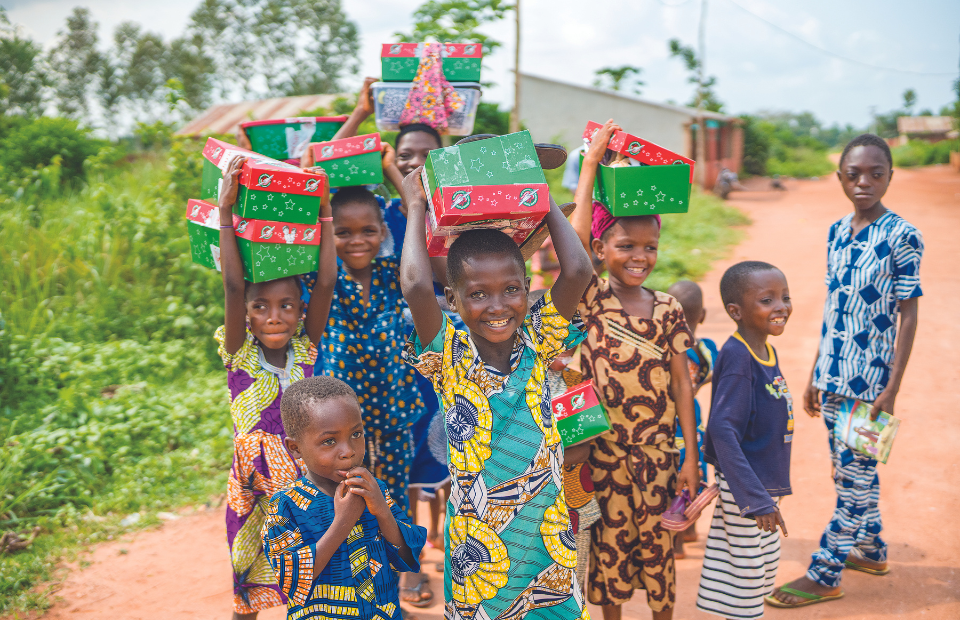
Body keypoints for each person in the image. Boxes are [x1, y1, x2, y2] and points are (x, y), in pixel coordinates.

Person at [399, 164, 595, 619]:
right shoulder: (448, 354)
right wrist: (415, 205)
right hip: (478, 545)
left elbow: (579, 268)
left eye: (511, 289)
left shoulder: (538, 339)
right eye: (479, 294)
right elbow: (413, 284)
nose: (498, 305)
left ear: (528, 290)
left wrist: (539, 195)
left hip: (546, 533)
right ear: (453, 298)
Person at [768, 134, 923, 608]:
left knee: (853, 482)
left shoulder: (902, 235)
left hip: (870, 384)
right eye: (854, 174)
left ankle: (826, 572)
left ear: (890, 177)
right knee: (848, 472)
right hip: (832, 376)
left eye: (876, 174)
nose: (864, 183)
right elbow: (836, 308)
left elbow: (909, 314)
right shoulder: (837, 232)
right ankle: (871, 550)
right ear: (839, 177)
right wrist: (816, 371)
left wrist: (892, 388)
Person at [570, 119, 701, 620]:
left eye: (649, 246)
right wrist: (590, 164)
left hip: (659, 460)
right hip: (603, 459)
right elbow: (576, 239)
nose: (639, 256)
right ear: (602, 251)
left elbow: (683, 388)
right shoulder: (592, 299)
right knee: (608, 563)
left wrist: (688, 456)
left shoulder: (668, 308)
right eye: (625, 246)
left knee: (660, 559)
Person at [214, 157, 337, 618]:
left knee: (307, 577)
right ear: (246, 313)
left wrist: (324, 213)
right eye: (261, 306)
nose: (274, 316)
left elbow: (325, 281)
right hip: (252, 483)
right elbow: (231, 284)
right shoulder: (239, 354)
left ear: (301, 312)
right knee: (248, 576)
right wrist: (225, 213)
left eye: (287, 306)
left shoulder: (305, 350)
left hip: (304, 479)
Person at [262, 375, 427, 620]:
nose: (348, 451)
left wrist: (381, 510)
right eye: (329, 441)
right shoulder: (285, 506)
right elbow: (293, 580)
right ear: (295, 448)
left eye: (356, 434)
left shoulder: (374, 489)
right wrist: (343, 522)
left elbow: (406, 556)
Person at [694, 261, 794, 619]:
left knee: (761, 567)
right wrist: (755, 499)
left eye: (785, 297)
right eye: (768, 300)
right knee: (745, 574)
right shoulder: (738, 358)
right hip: (747, 487)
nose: (781, 306)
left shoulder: (764, 349)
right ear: (736, 312)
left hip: (762, 484)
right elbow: (722, 430)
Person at [666, 279, 719, 559]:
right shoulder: (707, 348)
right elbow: (714, 375)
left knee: (674, 474)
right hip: (694, 418)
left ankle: (675, 544)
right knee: (694, 466)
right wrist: (696, 386)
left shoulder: (666, 348)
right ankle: (690, 530)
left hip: (669, 417)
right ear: (702, 316)